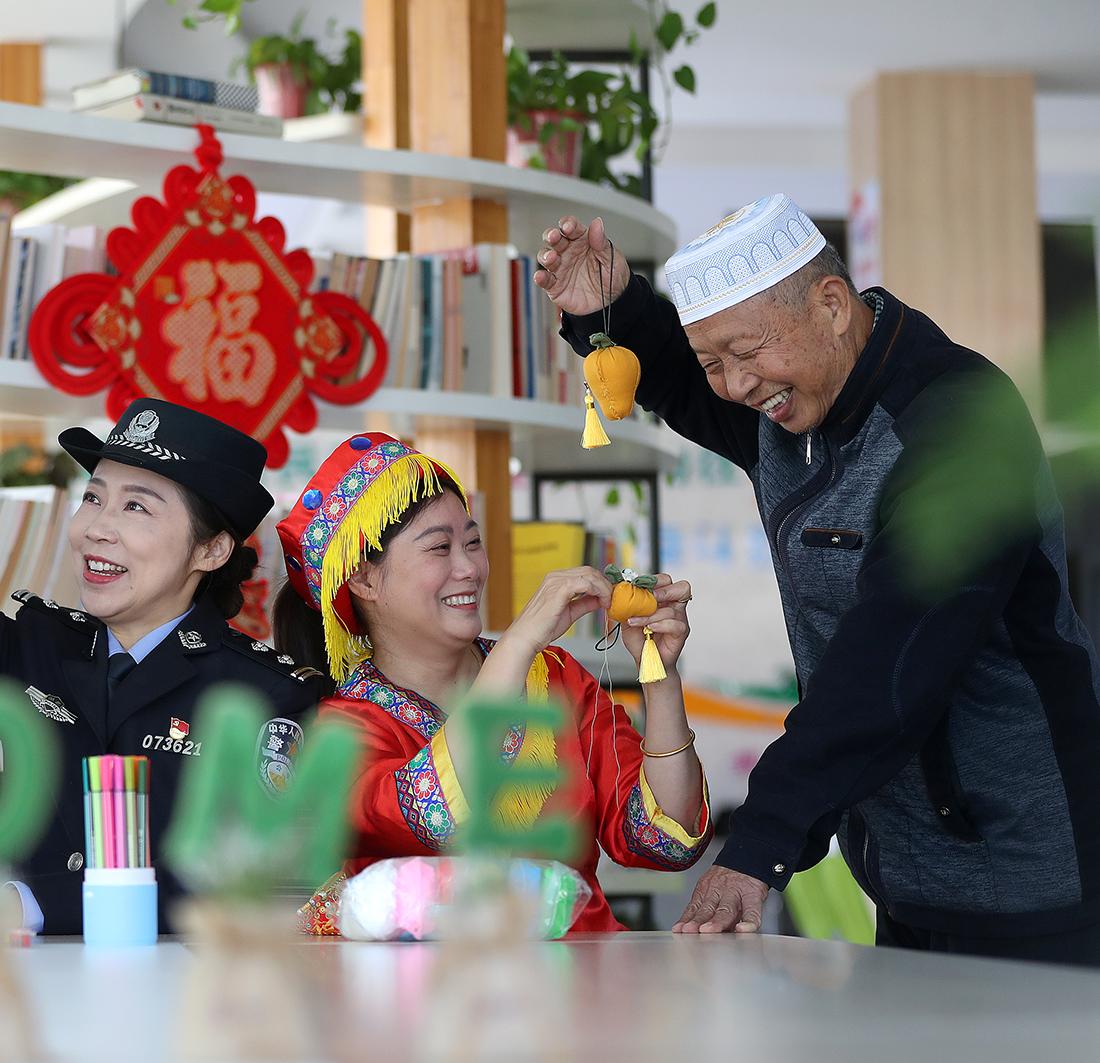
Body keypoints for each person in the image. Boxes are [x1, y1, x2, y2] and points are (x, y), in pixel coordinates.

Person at [537, 195, 1100, 965]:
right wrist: (608, 309)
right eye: (715, 363)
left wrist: (760, 840)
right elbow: (678, 378)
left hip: (1035, 877)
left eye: (746, 352)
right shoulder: (790, 403)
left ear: (831, 306)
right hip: (907, 874)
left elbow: (890, 664)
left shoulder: (958, 425)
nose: (737, 385)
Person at [0, 309, 330, 934]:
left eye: (137, 508)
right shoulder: (42, 649)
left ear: (211, 550)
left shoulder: (268, 696)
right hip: (35, 985)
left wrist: (32, 903)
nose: (97, 527)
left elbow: (241, 876)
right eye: (93, 497)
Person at [273, 434, 711, 933]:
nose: (469, 568)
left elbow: (665, 841)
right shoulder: (342, 730)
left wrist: (660, 674)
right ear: (364, 581)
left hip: (584, 972)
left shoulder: (554, 676)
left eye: (473, 542)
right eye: (440, 548)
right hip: (432, 983)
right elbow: (435, 813)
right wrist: (519, 640)